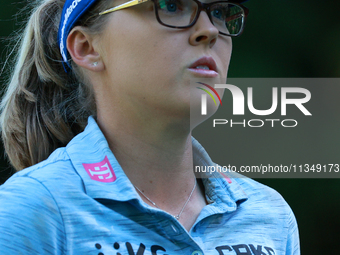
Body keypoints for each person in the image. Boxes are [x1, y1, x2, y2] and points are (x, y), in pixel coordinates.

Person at [0, 0, 300, 254]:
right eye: (171, 5)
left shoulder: (270, 215)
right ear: (87, 47)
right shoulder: (32, 209)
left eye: (220, 12)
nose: (209, 30)